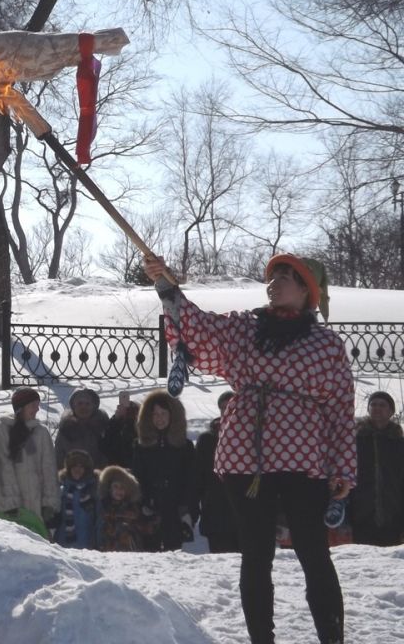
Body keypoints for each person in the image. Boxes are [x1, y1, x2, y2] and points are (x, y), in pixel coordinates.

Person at [145, 252, 354, 644]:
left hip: (304, 457)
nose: (275, 282)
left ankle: (333, 639)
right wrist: (166, 286)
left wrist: (343, 467)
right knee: (256, 556)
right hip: (246, 455)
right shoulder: (243, 327)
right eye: (274, 275)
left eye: (287, 276)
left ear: (308, 291)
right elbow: (200, 330)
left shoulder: (327, 343)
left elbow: (341, 409)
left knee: (314, 555)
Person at [131, 389, 197, 551]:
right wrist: (144, 502)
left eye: (163, 413)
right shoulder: (141, 446)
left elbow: (192, 480)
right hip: (148, 511)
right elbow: (137, 477)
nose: (159, 418)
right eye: (155, 414)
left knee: (172, 556)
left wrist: (186, 509)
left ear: (172, 415)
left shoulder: (184, 446)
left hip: (176, 511)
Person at [0, 387, 58, 536]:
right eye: (33, 405)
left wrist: (49, 504)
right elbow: (2, 467)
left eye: (38, 404)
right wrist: (9, 503)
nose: (37, 409)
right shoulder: (3, 428)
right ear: (21, 408)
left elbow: (49, 470)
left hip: (36, 502)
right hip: (12, 507)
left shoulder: (41, 432)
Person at [349, 391, 404, 546]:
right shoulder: (356, 440)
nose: (377, 408)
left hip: (393, 514)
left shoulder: (398, 442)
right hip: (360, 513)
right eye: (373, 404)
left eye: (382, 405)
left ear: (391, 411)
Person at [197, 390, 240, 553]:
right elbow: (198, 479)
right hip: (216, 517)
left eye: (232, 407)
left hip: (245, 516)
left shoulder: (252, 436)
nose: (228, 412)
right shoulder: (207, 440)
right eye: (224, 408)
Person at [97, 465, 155, 552]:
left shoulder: (133, 509)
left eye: (122, 488)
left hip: (129, 553)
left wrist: (149, 519)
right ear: (109, 489)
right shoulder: (103, 507)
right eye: (115, 487)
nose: (119, 490)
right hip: (107, 552)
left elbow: (147, 529)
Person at [53, 449, 98, 549]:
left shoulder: (93, 490)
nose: (77, 469)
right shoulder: (62, 489)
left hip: (87, 541)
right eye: (74, 466)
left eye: (81, 466)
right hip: (64, 541)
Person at [53, 387, 108, 471]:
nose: (84, 407)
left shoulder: (102, 426)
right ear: (73, 406)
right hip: (72, 479)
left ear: (94, 406)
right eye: (80, 403)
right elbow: (59, 457)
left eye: (87, 404)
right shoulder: (66, 428)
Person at [102, 390, 139, 468]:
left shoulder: (142, 431)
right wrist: (116, 419)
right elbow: (105, 445)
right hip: (116, 469)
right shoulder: (115, 426)